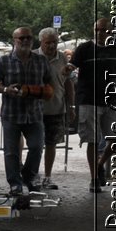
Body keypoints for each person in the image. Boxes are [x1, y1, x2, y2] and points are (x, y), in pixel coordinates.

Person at [0, 26, 51, 197]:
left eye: (28, 38)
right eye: (21, 38)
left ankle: (29, 178)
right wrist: (6, 89)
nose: (25, 41)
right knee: (11, 152)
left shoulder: (41, 61)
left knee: (37, 147)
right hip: (11, 113)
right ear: (14, 40)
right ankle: (15, 184)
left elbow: (49, 84)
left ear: (32, 40)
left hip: (34, 113)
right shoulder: (4, 61)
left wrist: (41, 92)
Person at [72, 17, 116, 192]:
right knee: (92, 140)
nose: (100, 33)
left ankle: (100, 164)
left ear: (110, 32)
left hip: (111, 99)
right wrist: (66, 69)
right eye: (97, 30)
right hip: (88, 100)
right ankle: (94, 178)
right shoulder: (83, 49)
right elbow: (70, 66)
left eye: (103, 30)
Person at [37, 27, 74, 189]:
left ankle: (47, 177)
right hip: (35, 110)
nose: (52, 46)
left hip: (56, 108)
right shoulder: (33, 56)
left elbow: (69, 83)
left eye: (54, 42)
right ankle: (32, 176)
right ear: (41, 42)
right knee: (35, 145)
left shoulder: (63, 59)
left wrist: (71, 106)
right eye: (48, 43)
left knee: (51, 144)